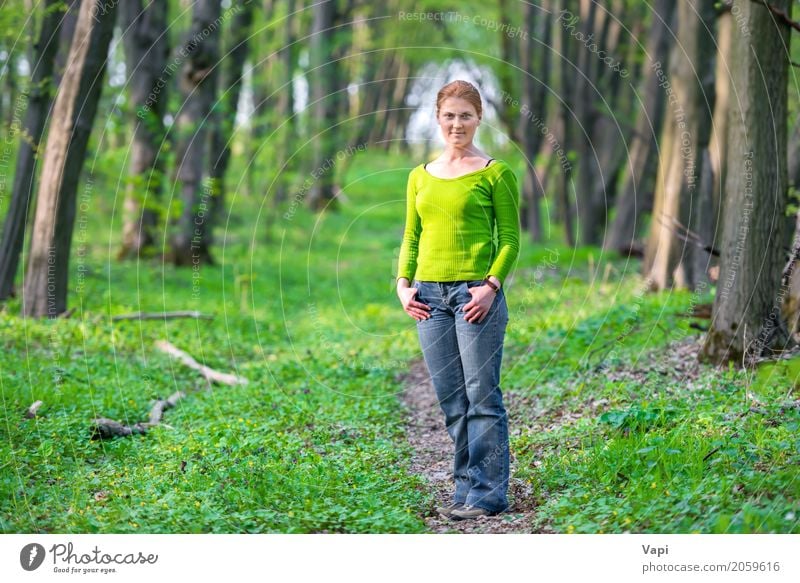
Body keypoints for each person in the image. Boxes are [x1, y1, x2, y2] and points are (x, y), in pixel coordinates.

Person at [395, 80, 521, 520]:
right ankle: (465, 488)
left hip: (474, 295)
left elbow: (509, 240)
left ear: (478, 118)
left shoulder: (495, 173)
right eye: (449, 115)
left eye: (465, 115)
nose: (456, 123)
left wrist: (491, 286)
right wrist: (402, 282)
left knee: (482, 395)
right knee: (452, 400)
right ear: (438, 118)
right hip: (428, 299)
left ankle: (489, 495)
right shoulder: (419, 176)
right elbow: (412, 236)